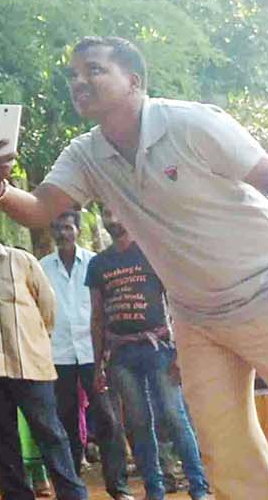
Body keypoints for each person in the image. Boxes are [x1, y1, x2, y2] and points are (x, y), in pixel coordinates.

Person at [0, 36, 268, 500]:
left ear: (134, 80)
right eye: (73, 74)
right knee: (225, 456)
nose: (79, 81)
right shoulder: (85, 155)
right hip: (198, 319)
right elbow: (39, 210)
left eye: (94, 70)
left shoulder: (191, 123)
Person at [0, 206, 90, 500]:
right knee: (3, 446)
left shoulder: (22, 261)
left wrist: (34, 343)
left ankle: (73, 495)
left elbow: (47, 307)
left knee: (50, 435)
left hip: (30, 366)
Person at [87, 209, 210, 499]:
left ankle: (199, 487)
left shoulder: (154, 251)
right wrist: (98, 365)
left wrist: (181, 352)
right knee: (138, 423)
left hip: (159, 348)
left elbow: (177, 302)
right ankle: (154, 490)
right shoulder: (98, 264)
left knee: (174, 416)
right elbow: (97, 317)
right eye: (106, 214)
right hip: (120, 354)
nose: (112, 219)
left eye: (116, 211)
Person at [41, 209, 129, 498]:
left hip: (94, 353)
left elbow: (107, 307)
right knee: (65, 421)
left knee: (109, 419)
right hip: (59, 355)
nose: (63, 233)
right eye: (58, 228)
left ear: (77, 230)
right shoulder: (42, 267)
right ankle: (72, 486)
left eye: (68, 227)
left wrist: (107, 349)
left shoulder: (95, 262)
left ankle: (117, 485)